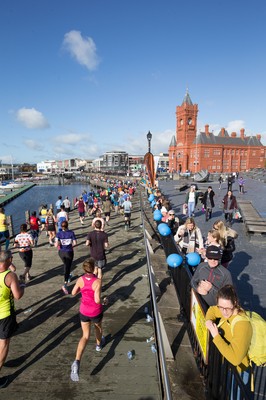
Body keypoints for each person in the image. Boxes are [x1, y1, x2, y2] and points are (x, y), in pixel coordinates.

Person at [205, 285, 253, 399]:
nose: (224, 312)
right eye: (221, 307)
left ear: (235, 302)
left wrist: (216, 336)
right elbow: (212, 310)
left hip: (240, 371)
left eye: (227, 308)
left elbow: (236, 359)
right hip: (226, 364)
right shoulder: (224, 308)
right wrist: (208, 320)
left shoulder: (242, 325)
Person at [70, 258, 106, 382]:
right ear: (93, 269)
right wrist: (104, 301)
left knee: (85, 336)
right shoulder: (98, 281)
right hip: (95, 311)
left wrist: (82, 289)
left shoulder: (80, 279)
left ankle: (77, 361)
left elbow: (73, 293)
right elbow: (97, 300)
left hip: (84, 311)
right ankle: (98, 345)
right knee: (98, 327)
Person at [0, 250, 25, 388]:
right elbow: (18, 295)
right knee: (3, 344)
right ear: (10, 259)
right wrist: (22, 285)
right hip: (5, 315)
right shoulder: (10, 276)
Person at [54, 221, 77, 294]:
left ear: (61, 226)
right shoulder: (71, 233)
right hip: (69, 252)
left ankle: (69, 276)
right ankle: (65, 284)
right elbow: (75, 243)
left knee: (66, 265)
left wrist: (60, 243)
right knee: (67, 267)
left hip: (61, 252)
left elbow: (56, 245)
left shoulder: (58, 234)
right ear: (67, 225)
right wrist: (70, 245)